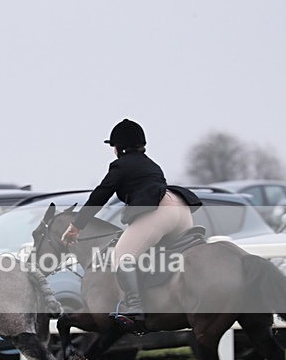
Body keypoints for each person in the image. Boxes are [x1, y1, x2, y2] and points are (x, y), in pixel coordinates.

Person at [60, 119, 202, 331]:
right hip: (181, 209)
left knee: (122, 257)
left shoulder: (120, 166)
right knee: (156, 255)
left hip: (161, 212)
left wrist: (76, 226)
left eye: (114, 147)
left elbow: (100, 196)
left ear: (119, 147)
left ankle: (134, 307)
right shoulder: (152, 164)